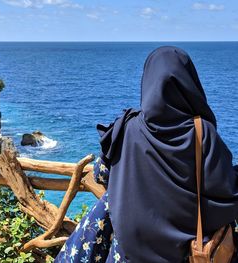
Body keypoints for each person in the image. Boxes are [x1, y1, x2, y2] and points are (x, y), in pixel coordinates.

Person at [54, 46, 238, 263]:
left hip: (128, 252)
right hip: (187, 252)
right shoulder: (202, 133)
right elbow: (227, 192)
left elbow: (101, 174)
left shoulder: (127, 127)